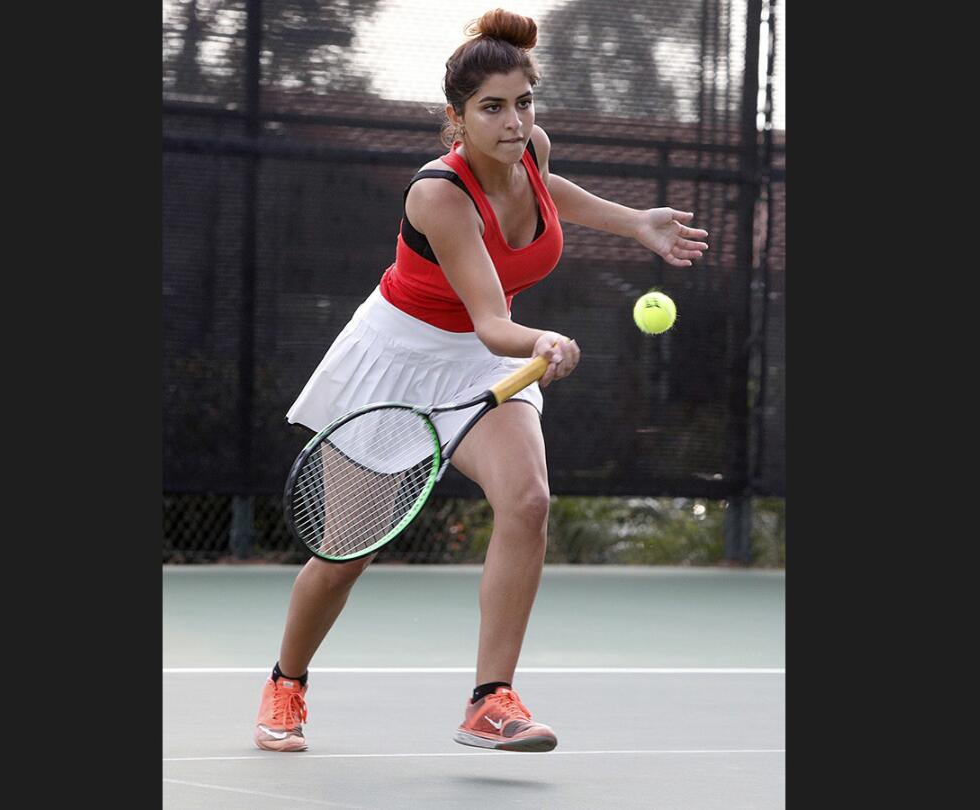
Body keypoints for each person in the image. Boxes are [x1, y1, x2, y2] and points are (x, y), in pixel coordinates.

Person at [254, 8, 709, 753]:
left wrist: (634, 223)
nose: (513, 122)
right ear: (456, 119)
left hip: (482, 354)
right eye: (492, 108)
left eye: (523, 103)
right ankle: (286, 682)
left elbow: (545, 192)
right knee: (346, 556)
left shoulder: (531, 150)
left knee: (527, 500)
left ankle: (489, 699)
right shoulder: (436, 196)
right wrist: (543, 340)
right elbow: (495, 320)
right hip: (399, 357)